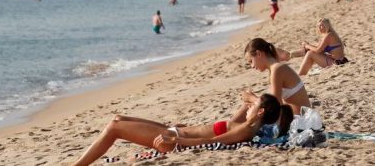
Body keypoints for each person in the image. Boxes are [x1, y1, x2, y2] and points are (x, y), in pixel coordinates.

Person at [72, 94, 292, 166]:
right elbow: (248, 101)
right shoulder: (247, 124)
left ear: (261, 112)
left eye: (254, 106)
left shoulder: (245, 130)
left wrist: (175, 142)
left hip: (174, 139)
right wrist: (252, 103)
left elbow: (212, 142)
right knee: (119, 118)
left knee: (114, 127)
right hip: (177, 132)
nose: (249, 106)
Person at [243, 38, 311, 115]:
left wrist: (251, 98)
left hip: (301, 121)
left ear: (259, 54)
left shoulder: (277, 70)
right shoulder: (276, 68)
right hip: (297, 117)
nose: (252, 66)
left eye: (251, 61)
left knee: (248, 112)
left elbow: (275, 105)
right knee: (248, 109)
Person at [282, 18, 348, 75]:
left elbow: (318, 50)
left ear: (327, 26)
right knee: (309, 51)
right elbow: (317, 48)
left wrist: (307, 45)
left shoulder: (329, 35)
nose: (319, 28)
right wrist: (307, 45)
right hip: (336, 60)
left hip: (338, 62)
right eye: (318, 26)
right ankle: (290, 56)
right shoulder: (328, 35)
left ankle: (300, 73)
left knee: (310, 53)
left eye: (321, 26)